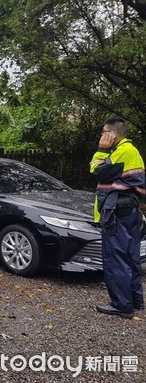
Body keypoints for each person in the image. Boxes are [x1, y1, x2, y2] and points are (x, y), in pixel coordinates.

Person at [90, 116, 146, 319]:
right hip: (128, 211)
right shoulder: (129, 151)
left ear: (113, 134)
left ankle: (122, 305)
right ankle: (135, 300)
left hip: (118, 214)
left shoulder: (122, 151)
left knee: (116, 258)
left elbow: (96, 171)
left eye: (105, 132)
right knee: (131, 258)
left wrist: (101, 150)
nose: (102, 136)